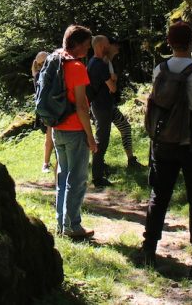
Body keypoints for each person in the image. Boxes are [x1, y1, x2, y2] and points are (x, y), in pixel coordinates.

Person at [138, 21, 192, 279]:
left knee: (159, 195)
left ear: (168, 41)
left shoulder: (159, 70)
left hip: (164, 142)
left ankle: (148, 251)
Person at [52, 24, 98, 239]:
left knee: (63, 178)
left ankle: (61, 225)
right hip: (74, 130)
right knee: (77, 179)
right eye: (87, 45)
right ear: (77, 44)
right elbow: (81, 106)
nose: (88, 50)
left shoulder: (55, 61)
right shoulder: (77, 67)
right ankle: (73, 226)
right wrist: (90, 136)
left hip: (56, 128)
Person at [107, 37, 141, 169]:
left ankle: (131, 160)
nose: (118, 47)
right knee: (102, 137)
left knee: (125, 128)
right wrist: (113, 80)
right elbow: (111, 86)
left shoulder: (108, 61)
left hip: (109, 105)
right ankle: (98, 167)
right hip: (104, 107)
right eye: (115, 44)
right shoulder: (104, 62)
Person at [87, 36, 115, 187]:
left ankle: (99, 171)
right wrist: (114, 80)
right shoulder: (101, 65)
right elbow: (113, 88)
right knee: (101, 140)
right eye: (107, 44)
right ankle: (97, 178)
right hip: (103, 106)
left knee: (101, 139)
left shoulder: (91, 62)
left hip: (96, 105)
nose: (109, 46)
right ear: (100, 46)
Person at [32, 51, 54, 173]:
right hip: (47, 110)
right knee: (49, 137)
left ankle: (49, 163)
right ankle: (45, 163)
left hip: (52, 108)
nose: (43, 65)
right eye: (41, 63)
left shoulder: (48, 72)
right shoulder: (39, 75)